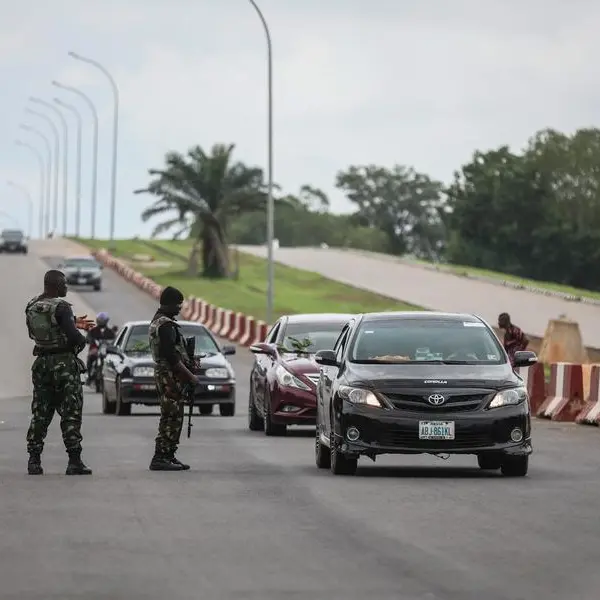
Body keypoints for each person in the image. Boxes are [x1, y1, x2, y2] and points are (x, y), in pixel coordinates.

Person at [25, 269, 95, 475]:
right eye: (64, 284)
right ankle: (74, 461)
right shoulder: (62, 307)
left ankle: (34, 460)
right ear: (55, 285)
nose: (66, 288)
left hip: (42, 364)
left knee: (40, 412)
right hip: (64, 366)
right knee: (71, 412)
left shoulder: (32, 306)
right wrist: (79, 340)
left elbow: (34, 333)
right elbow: (76, 338)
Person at [148, 286, 200, 471]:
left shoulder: (159, 321)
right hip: (169, 376)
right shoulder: (166, 326)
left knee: (172, 414)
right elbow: (171, 356)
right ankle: (161, 457)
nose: (180, 308)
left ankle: (168, 454)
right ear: (169, 304)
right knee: (172, 416)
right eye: (178, 304)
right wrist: (191, 376)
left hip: (166, 374)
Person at [85, 312, 116, 382]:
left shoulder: (110, 332)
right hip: (94, 350)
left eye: (103, 320)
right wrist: (90, 340)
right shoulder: (92, 331)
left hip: (106, 351)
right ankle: (89, 375)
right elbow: (87, 338)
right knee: (90, 358)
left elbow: (114, 340)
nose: (101, 321)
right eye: (100, 320)